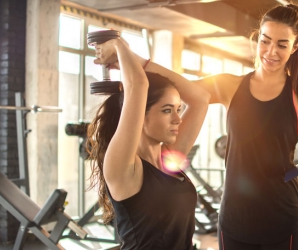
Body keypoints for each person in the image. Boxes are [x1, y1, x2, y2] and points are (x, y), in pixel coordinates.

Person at [130, 3, 298, 249]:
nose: (271, 51)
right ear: (257, 39)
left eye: (282, 45)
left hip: (283, 217)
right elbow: (179, 86)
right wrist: (135, 62)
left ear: (295, 47)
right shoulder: (230, 86)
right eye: (265, 41)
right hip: (235, 218)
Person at [86, 36, 210, 250]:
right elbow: (137, 86)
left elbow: (201, 98)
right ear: (139, 116)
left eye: (178, 109)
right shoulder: (123, 168)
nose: (178, 119)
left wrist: (136, 59)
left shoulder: (169, 160)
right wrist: (118, 45)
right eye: (167, 110)